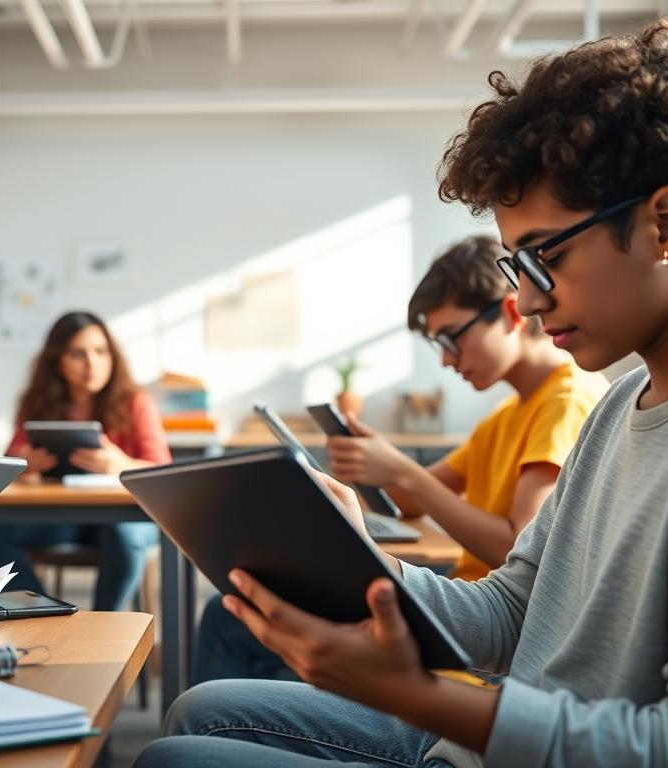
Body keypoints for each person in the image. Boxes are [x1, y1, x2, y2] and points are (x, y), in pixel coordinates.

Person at [138, 19, 668, 767]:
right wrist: (362, 562)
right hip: (494, 734)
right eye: (517, 271)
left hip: (513, 741)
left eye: (544, 260)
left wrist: (416, 694)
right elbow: (514, 609)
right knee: (200, 709)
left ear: (665, 224)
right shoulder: (622, 400)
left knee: (175, 759)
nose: (530, 304)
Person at [193, 237, 607, 684]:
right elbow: (408, 503)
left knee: (239, 623)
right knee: (240, 614)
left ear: (509, 313)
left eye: (451, 338)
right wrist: (366, 473)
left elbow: (513, 547)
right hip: (461, 613)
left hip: (481, 644)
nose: (448, 360)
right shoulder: (508, 414)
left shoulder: (566, 404)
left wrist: (402, 470)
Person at [0, 311, 170, 611]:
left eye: (100, 351)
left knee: (123, 534)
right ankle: (46, 612)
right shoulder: (37, 404)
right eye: (78, 353)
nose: (92, 363)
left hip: (126, 519)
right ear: (57, 361)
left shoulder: (136, 402)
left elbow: (163, 473)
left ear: (113, 356)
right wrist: (24, 466)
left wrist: (120, 464)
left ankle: (106, 629)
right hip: (66, 518)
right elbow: (10, 466)